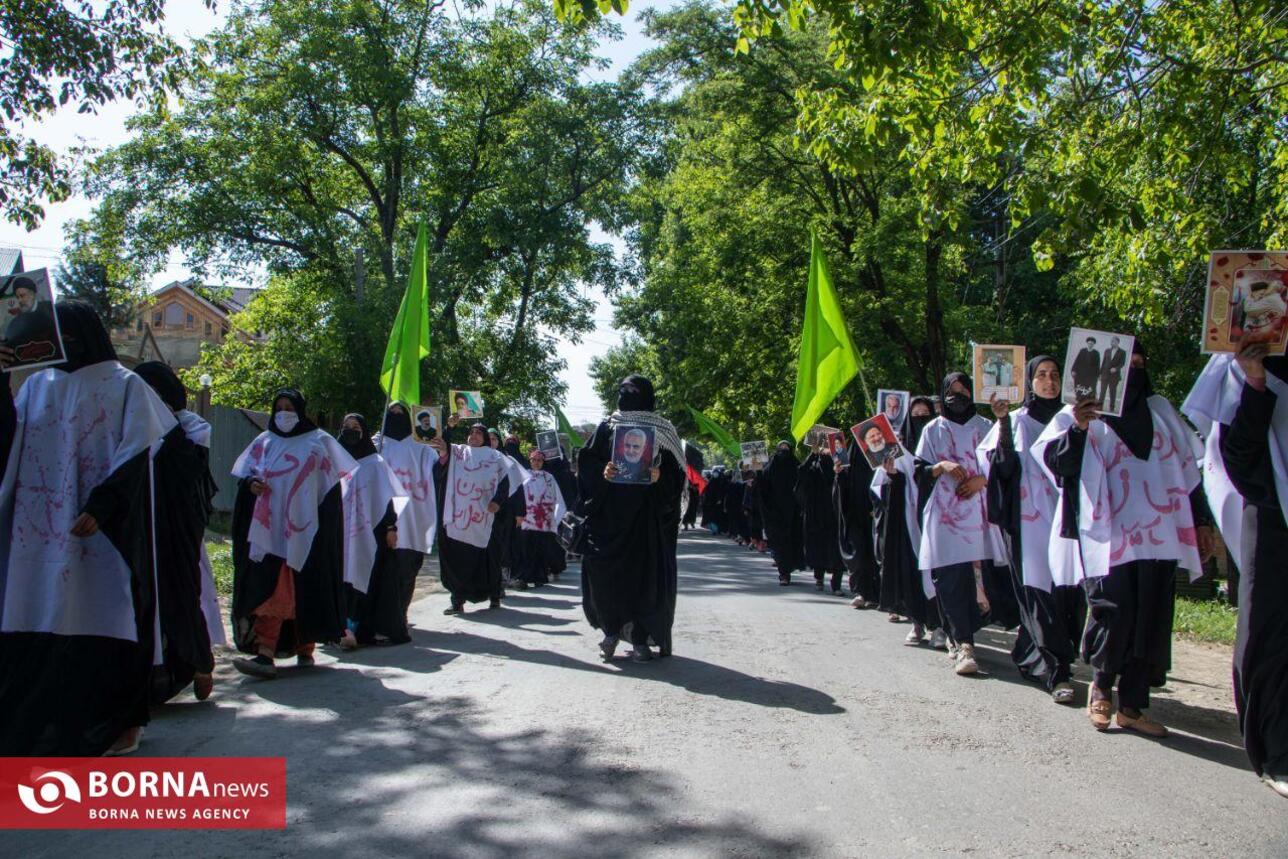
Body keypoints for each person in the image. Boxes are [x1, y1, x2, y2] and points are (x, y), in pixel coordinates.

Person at [0, 301, 175, 756]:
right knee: (37, 620)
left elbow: (137, 453)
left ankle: (119, 722)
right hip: (37, 534)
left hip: (101, 533)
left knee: (104, 618)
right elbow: (8, 440)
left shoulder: (125, 386)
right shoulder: (37, 385)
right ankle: (44, 725)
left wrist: (105, 504)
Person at [1034, 342, 1215, 736]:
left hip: (1161, 535)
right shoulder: (1080, 413)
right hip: (1107, 537)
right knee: (1115, 612)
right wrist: (1079, 429)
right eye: (1124, 365)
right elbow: (1057, 465)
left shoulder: (1161, 410)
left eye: (1139, 362)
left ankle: (1132, 705)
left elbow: (1189, 470)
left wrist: (1201, 520)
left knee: (1150, 616)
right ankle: (1100, 691)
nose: (1133, 371)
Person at [1182, 338, 1288, 796]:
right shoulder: (1239, 364)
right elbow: (1236, 454)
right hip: (1269, 510)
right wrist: (1256, 379)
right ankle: (1279, 752)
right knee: (1272, 632)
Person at [229, 389, 355, 680]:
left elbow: (330, 490)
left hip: (307, 533)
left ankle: (305, 646)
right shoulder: (264, 442)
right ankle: (265, 654)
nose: (284, 413)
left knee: (305, 590)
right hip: (269, 535)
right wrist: (251, 485)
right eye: (279, 407)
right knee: (273, 591)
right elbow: (245, 477)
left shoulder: (318, 442)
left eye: (290, 407)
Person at [979, 356, 1083, 703]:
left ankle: (1033, 650)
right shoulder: (1017, 421)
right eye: (1041, 375)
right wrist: (1002, 422)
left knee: (1071, 592)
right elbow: (1002, 468)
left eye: (1055, 375)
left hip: (1072, 518)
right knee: (1040, 593)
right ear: (1029, 382)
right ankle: (1057, 671)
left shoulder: (1074, 416)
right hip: (1030, 523)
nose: (1049, 382)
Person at [577, 375, 684, 662]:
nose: (625, 394)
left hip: (644, 522)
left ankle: (639, 639)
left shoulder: (662, 430)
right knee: (604, 577)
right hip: (608, 521)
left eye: (632, 390)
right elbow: (587, 461)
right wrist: (604, 472)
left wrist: (660, 476)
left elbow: (677, 476)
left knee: (642, 580)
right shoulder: (607, 426)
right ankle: (610, 631)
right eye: (621, 389)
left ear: (646, 395)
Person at [915, 373, 1016, 676]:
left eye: (964, 391)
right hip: (945, 518)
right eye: (952, 392)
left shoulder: (987, 427)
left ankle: (971, 631)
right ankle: (963, 642)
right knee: (951, 579)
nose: (958, 397)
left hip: (981, 517)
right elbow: (919, 471)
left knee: (982, 580)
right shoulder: (934, 429)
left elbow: (1004, 466)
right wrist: (941, 466)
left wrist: (980, 480)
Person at [134, 361, 220, 705]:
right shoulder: (132, 424)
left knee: (181, 595)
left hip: (178, 529)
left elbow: (187, 469)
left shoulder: (193, 428)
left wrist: (164, 424)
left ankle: (199, 664)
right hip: (139, 526)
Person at [429, 422, 524, 614]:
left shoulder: (496, 457)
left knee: (489, 560)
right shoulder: (458, 453)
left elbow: (506, 482)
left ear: (486, 438)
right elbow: (443, 449)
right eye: (471, 432)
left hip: (486, 518)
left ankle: (494, 596)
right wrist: (449, 426)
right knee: (457, 560)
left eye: (478, 433)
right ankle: (457, 601)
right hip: (459, 519)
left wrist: (497, 502)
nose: (474, 436)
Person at [335, 413, 406, 649]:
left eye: (356, 427)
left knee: (367, 576)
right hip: (338, 531)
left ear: (364, 431)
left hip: (369, 532)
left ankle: (360, 628)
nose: (350, 431)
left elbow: (386, 500)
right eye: (346, 427)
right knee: (338, 577)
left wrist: (391, 527)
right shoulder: (332, 460)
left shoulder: (375, 463)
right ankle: (338, 628)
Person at [874, 396, 940, 642]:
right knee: (911, 570)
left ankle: (940, 623)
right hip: (909, 521)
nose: (921, 420)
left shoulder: (940, 444)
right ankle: (917, 621)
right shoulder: (898, 451)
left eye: (926, 415)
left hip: (938, 517)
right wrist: (892, 475)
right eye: (916, 416)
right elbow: (881, 489)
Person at [835, 433, 879, 608]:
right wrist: (838, 475)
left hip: (877, 515)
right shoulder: (848, 467)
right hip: (855, 516)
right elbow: (840, 492)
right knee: (858, 554)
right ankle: (861, 592)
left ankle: (879, 595)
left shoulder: (879, 463)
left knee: (877, 555)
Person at [796, 439, 846, 594]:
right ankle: (819, 577)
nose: (825, 449)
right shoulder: (814, 465)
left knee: (837, 548)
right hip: (816, 514)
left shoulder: (839, 463)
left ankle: (836, 585)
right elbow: (801, 473)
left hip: (836, 512)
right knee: (818, 546)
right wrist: (813, 454)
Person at [514, 449, 567, 589]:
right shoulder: (523, 475)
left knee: (541, 550)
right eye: (533, 460)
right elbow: (517, 496)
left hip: (543, 522)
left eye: (539, 460)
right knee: (525, 550)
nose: (536, 463)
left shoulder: (549, 478)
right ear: (529, 460)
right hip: (526, 520)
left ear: (543, 462)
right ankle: (523, 578)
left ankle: (539, 577)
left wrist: (555, 518)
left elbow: (558, 499)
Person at [759, 441, 803, 585]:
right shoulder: (769, 468)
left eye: (786, 449)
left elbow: (805, 482)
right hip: (775, 514)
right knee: (779, 542)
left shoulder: (796, 466)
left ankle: (789, 568)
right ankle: (783, 573)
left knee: (792, 541)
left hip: (794, 513)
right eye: (781, 450)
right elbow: (762, 489)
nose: (783, 453)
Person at [1098, 336, 1127, 409]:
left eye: (1113, 341)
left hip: (1115, 376)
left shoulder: (1122, 352)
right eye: (1111, 341)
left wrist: (1116, 369)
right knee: (1102, 391)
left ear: (1117, 342)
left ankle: (1112, 407)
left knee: (1112, 392)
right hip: (1105, 374)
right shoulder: (1107, 350)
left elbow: (1122, 363)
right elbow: (1103, 362)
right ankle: (1099, 406)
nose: (1112, 343)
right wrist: (1100, 374)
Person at [1070, 336, 1101, 401]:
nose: (1090, 345)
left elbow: (1097, 365)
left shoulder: (1096, 353)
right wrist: (1073, 370)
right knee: (1079, 385)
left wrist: (1098, 375)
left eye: (1091, 344)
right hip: (1081, 373)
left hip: (1091, 374)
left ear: (1093, 344)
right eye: (1089, 343)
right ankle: (1079, 398)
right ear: (1087, 343)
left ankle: (1089, 400)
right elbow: (1077, 361)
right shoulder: (1082, 351)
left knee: (1090, 387)